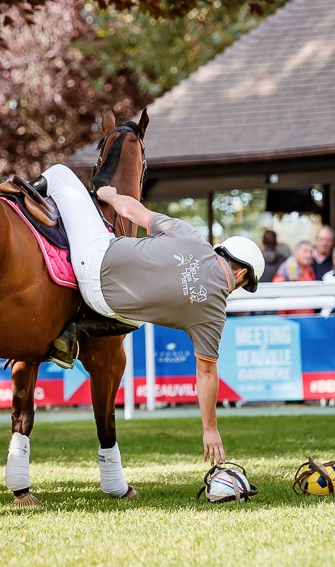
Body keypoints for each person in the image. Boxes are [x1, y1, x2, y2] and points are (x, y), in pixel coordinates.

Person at [41, 165, 264, 468]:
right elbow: (207, 373)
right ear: (240, 273)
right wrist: (210, 429)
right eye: (244, 285)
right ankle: (73, 332)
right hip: (107, 305)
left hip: (93, 259)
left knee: (60, 174)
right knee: (140, 316)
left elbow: (133, 211)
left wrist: (110, 194)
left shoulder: (193, 237)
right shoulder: (213, 315)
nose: (237, 288)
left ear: (226, 255)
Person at [273, 240, 317, 315]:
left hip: (309, 317)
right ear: (296, 252)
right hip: (293, 319)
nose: (309, 255)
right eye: (305, 251)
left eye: (310, 252)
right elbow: (278, 290)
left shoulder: (309, 269)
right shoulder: (287, 268)